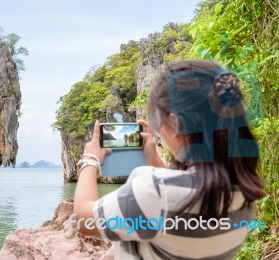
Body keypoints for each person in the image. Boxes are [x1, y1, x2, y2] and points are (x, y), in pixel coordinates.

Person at [73, 60, 264, 259]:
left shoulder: (153, 190)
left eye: (158, 123)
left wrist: (90, 159)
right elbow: (182, 188)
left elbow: (84, 220)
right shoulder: (244, 191)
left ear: (176, 123)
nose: (159, 132)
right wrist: (154, 158)